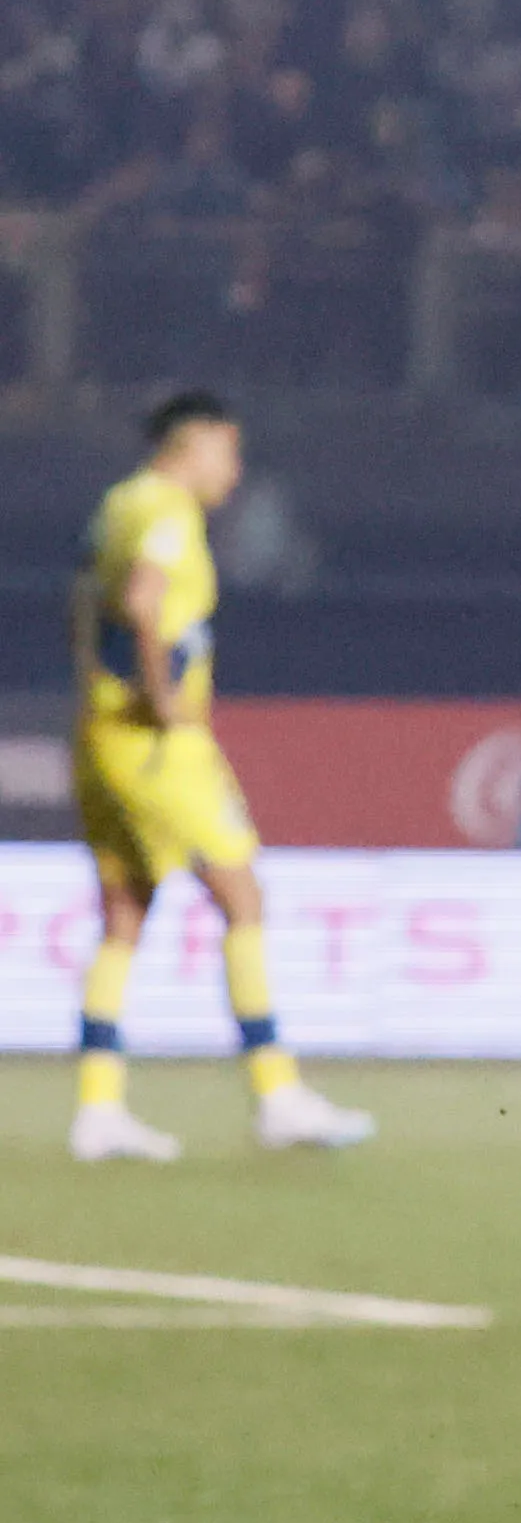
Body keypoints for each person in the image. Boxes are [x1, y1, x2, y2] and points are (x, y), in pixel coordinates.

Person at [66, 390, 377, 1160]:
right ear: (193, 443)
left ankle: (98, 1106)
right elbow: (143, 600)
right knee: (242, 891)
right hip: (158, 744)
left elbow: (85, 601)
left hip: (100, 733)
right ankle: (277, 1093)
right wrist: (164, 698)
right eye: (227, 452)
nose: (233, 473)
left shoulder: (117, 504)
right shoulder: (168, 510)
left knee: (125, 913)